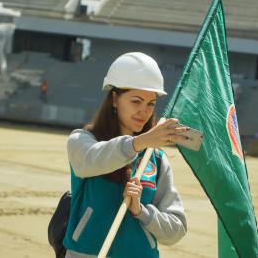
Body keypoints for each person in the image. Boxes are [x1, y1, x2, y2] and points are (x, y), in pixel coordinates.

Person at [63, 52, 188, 258]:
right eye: (136, 101)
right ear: (114, 99)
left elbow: (176, 230)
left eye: (151, 104)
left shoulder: (156, 159)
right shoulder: (82, 140)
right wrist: (140, 143)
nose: (144, 111)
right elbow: (93, 159)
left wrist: (141, 211)